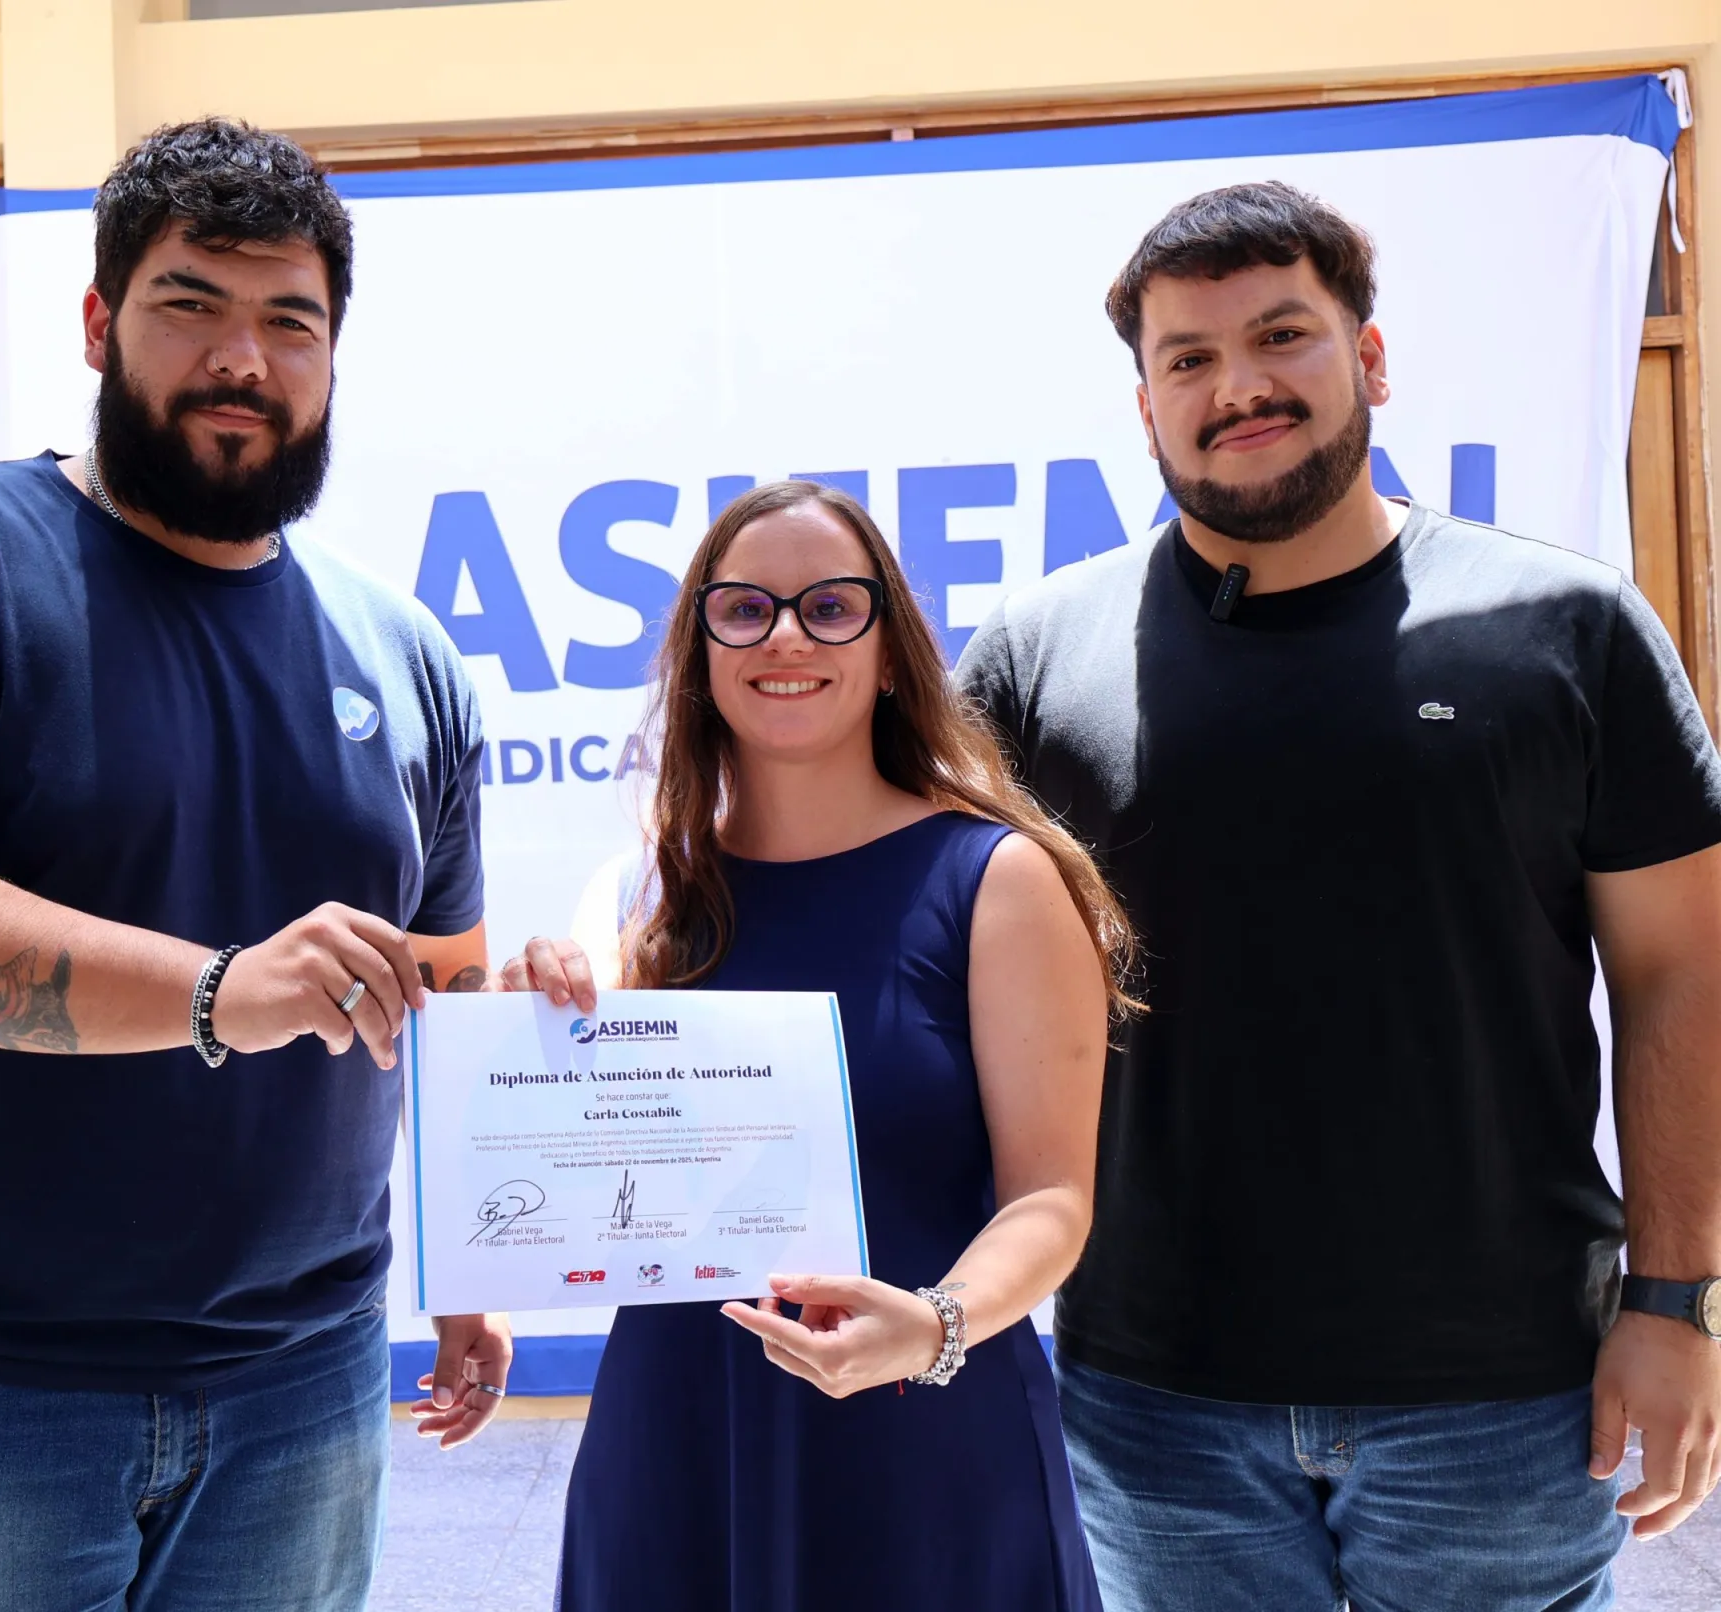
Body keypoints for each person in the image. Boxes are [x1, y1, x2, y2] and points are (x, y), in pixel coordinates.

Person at [0, 119, 584, 1612]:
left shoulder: (402, 651)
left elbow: (430, 989)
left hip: (297, 1395)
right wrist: (216, 994)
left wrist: (476, 1250)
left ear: (331, 357)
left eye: (289, 322)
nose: (241, 358)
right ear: (100, 323)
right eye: (192, 305)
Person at [956, 180, 1721, 1612]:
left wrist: (1678, 1303)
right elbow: (879, 909)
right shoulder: (1035, 658)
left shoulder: (1570, 629)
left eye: (1282, 337)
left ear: (1368, 361)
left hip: (1505, 1396)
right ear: (1144, 406)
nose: (1237, 386)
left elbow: (1685, 974)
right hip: (1156, 1393)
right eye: (1188, 359)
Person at [501, 479, 1131, 1611]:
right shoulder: (643, 894)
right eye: (742, 609)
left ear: (891, 652)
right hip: (677, 1443)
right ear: (699, 654)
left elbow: (1051, 1201)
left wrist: (933, 1325)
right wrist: (529, 1028)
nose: (784, 634)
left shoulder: (997, 881)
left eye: (829, 605)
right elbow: (558, 1171)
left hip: (922, 1442)